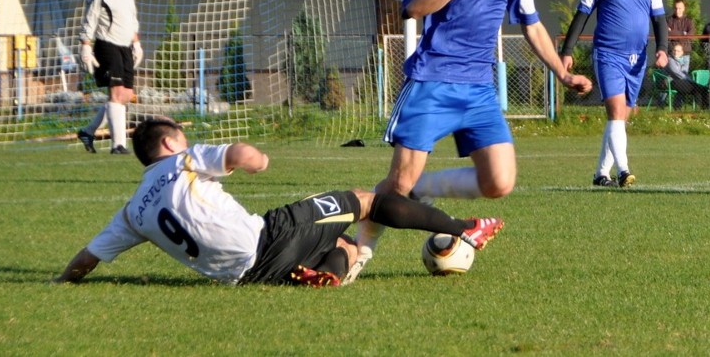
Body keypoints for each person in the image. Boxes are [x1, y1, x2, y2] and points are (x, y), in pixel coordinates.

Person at [343, 0, 592, 284]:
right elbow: (410, 6)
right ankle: (360, 253)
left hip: (479, 88)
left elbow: (531, 25)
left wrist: (562, 73)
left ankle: (420, 189)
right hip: (432, 81)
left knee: (500, 182)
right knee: (396, 183)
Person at [54, 117, 503, 288]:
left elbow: (86, 259)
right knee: (368, 200)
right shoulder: (184, 160)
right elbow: (237, 154)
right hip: (271, 236)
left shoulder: (131, 211)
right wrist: (256, 159)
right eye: (182, 137)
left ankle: (326, 273)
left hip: (247, 276)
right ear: (170, 143)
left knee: (344, 244)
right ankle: (466, 228)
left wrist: (61, 281)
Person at [560, 0, 668, 188]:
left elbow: (659, 19)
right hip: (608, 54)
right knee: (617, 112)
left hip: (638, 58)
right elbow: (582, 15)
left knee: (620, 118)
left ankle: (600, 173)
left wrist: (662, 48)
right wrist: (567, 51)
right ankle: (624, 171)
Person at [77, 0, 143, 155]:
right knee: (115, 94)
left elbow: (131, 19)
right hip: (107, 45)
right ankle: (118, 145)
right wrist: (86, 45)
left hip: (125, 46)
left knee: (125, 95)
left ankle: (88, 132)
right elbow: (91, 18)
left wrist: (137, 43)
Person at [666, 0, 695, 70]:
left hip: (685, 52)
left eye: (680, 8)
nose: (677, 10)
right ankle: (691, 81)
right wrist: (683, 33)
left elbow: (690, 35)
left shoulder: (689, 21)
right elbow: (667, 34)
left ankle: (688, 81)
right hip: (673, 53)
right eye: (676, 8)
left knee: (683, 75)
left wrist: (673, 33)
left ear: (684, 8)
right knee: (674, 73)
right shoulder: (669, 20)